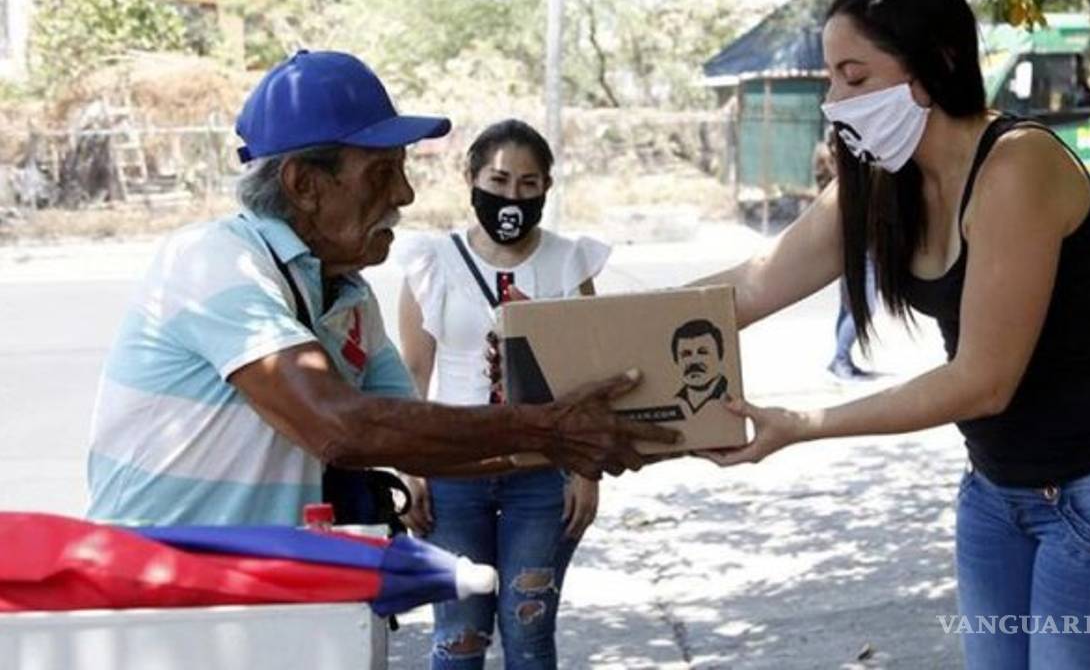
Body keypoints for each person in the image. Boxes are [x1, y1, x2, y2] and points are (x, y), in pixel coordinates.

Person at [698, 0, 1090, 669]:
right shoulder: (880, 179)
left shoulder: (1018, 168)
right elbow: (748, 290)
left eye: (855, 77)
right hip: (995, 495)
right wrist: (578, 334)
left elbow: (982, 382)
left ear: (938, 65)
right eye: (832, 79)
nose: (835, 103)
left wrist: (803, 425)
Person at [86, 51, 677, 528]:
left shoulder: (347, 297)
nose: (404, 195)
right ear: (304, 184)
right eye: (381, 173)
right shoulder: (215, 262)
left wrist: (622, 435)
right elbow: (342, 428)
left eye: (403, 170)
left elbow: (419, 433)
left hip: (257, 604)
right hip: (159, 604)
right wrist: (551, 429)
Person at [397, 119, 609, 669]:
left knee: (528, 627)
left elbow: (589, 376)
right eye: (499, 180)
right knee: (459, 634)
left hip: (543, 473)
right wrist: (407, 467)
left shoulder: (569, 262)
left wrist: (586, 472)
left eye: (528, 184)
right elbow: (414, 373)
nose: (511, 196)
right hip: (453, 471)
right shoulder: (431, 263)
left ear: (546, 188)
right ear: (471, 179)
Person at [813, 130, 877, 379]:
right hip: (860, 249)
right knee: (865, 308)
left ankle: (842, 359)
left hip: (856, 248)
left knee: (849, 307)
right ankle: (841, 359)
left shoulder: (836, 173)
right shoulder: (847, 178)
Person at [670, 319, 730, 414]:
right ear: (676, 360)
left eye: (703, 352)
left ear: (720, 355)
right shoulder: (671, 403)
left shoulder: (735, 394)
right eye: (686, 354)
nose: (694, 360)